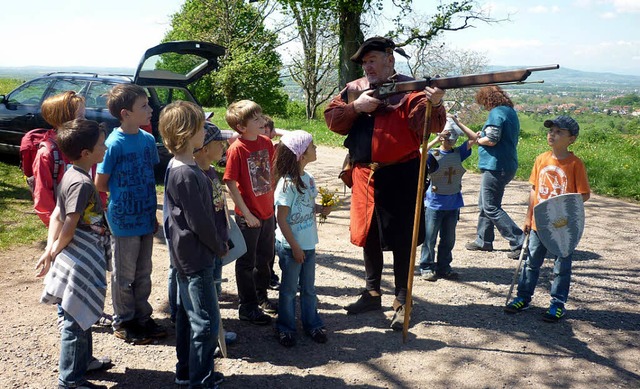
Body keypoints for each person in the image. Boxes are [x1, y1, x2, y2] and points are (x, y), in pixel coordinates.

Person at [323, 36, 446, 330]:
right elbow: (332, 119)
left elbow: (428, 127)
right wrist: (357, 108)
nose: (367, 67)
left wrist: (435, 103)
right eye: (364, 62)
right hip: (364, 174)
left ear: (390, 60)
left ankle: (403, 298)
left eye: (372, 61)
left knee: (403, 238)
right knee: (369, 235)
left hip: (401, 173)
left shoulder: (412, 89)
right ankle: (372, 292)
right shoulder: (354, 90)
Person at [36, 119, 110, 389]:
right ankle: (69, 380)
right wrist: (54, 249)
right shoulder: (80, 182)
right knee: (73, 318)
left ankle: (85, 361)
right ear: (86, 153)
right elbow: (67, 222)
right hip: (80, 258)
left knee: (82, 310)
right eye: (101, 144)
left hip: (79, 256)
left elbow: (56, 213)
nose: (105, 148)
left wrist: (49, 250)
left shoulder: (71, 173)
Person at [160, 101, 227, 387]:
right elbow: (200, 222)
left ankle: (186, 371)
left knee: (188, 319)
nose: (205, 132)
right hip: (197, 257)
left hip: (186, 256)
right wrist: (220, 246)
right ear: (188, 133)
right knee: (206, 324)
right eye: (201, 127)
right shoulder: (185, 173)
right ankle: (202, 380)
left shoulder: (181, 166)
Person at [95, 84, 166, 344]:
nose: (150, 110)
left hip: (146, 218)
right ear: (125, 113)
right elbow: (101, 183)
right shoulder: (114, 143)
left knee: (143, 272)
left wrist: (152, 214)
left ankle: (142, 317)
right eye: (144, 106)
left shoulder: (147, 140)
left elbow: (149, 180)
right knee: (124, 275)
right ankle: (123, 321)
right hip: (124, 221)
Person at [505, 116, 590, 322]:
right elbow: (535, 190)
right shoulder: (541, 159)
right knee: (531, 262)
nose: (552, 134)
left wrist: (563, 211)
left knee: (561, 266)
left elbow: (583, 195)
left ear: (572, 139)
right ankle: (523, 298)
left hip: (562, 226)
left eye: (559, 131)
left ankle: (557, 303)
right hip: (538, 224)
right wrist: (528, 216)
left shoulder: (574, 164)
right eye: (551, 130)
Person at [451, 86, 525, 258]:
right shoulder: (509, 111)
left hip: (496, 165)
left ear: (488, 100)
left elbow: (491, 140)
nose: (484, 107)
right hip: (506, 163)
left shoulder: (497, 113)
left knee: (491, 206)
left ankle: (519, 239)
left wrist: (477, 140)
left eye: (483, 102)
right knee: (485, 204)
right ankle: (483, 240)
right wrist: (482, 135)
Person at [272, 130, 331, 347]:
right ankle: (285, 328)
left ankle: (312, 324)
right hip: (291, 246)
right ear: (301, 154)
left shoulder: (308, 179)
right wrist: (295, 247)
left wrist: (321, 209)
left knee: (308, 288)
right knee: (288, 290)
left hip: (307, 244)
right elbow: (281, 218)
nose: (316, 148)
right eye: (312, 146)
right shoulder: (287, 185)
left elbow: (307, 206)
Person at [223, 100, 277, 325]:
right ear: (241, 128)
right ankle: (247, 306)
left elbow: (272, 172)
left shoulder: (266, 142)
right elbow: (231, 183)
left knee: (265, 258)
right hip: (249, 216)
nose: (261, 120)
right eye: (255, 119)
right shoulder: (237, 149)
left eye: (260, 115)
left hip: (267, 213)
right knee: (247, 262)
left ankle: (261, 297)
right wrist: (246, 214)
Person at [419, 119, 476, 281]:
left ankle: (444, 267)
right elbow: (420, 153)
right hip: (434, 204)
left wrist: (457, 122)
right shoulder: (434, 155)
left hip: (453, 204)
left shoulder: (458, 153)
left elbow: (473, 138)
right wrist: (437, 139)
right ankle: (426, 266)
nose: (451, 139)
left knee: (448, 239)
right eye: (448, 136)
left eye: (453, 136)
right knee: (430, 238)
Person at [31, 91, 82, 227]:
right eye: (80, 116)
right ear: (64, 118)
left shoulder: (84, 145)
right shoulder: (47, 152)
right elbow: (42, 193)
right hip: (62, 222)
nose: (85, 120)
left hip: (88, 218)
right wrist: (54, 225)